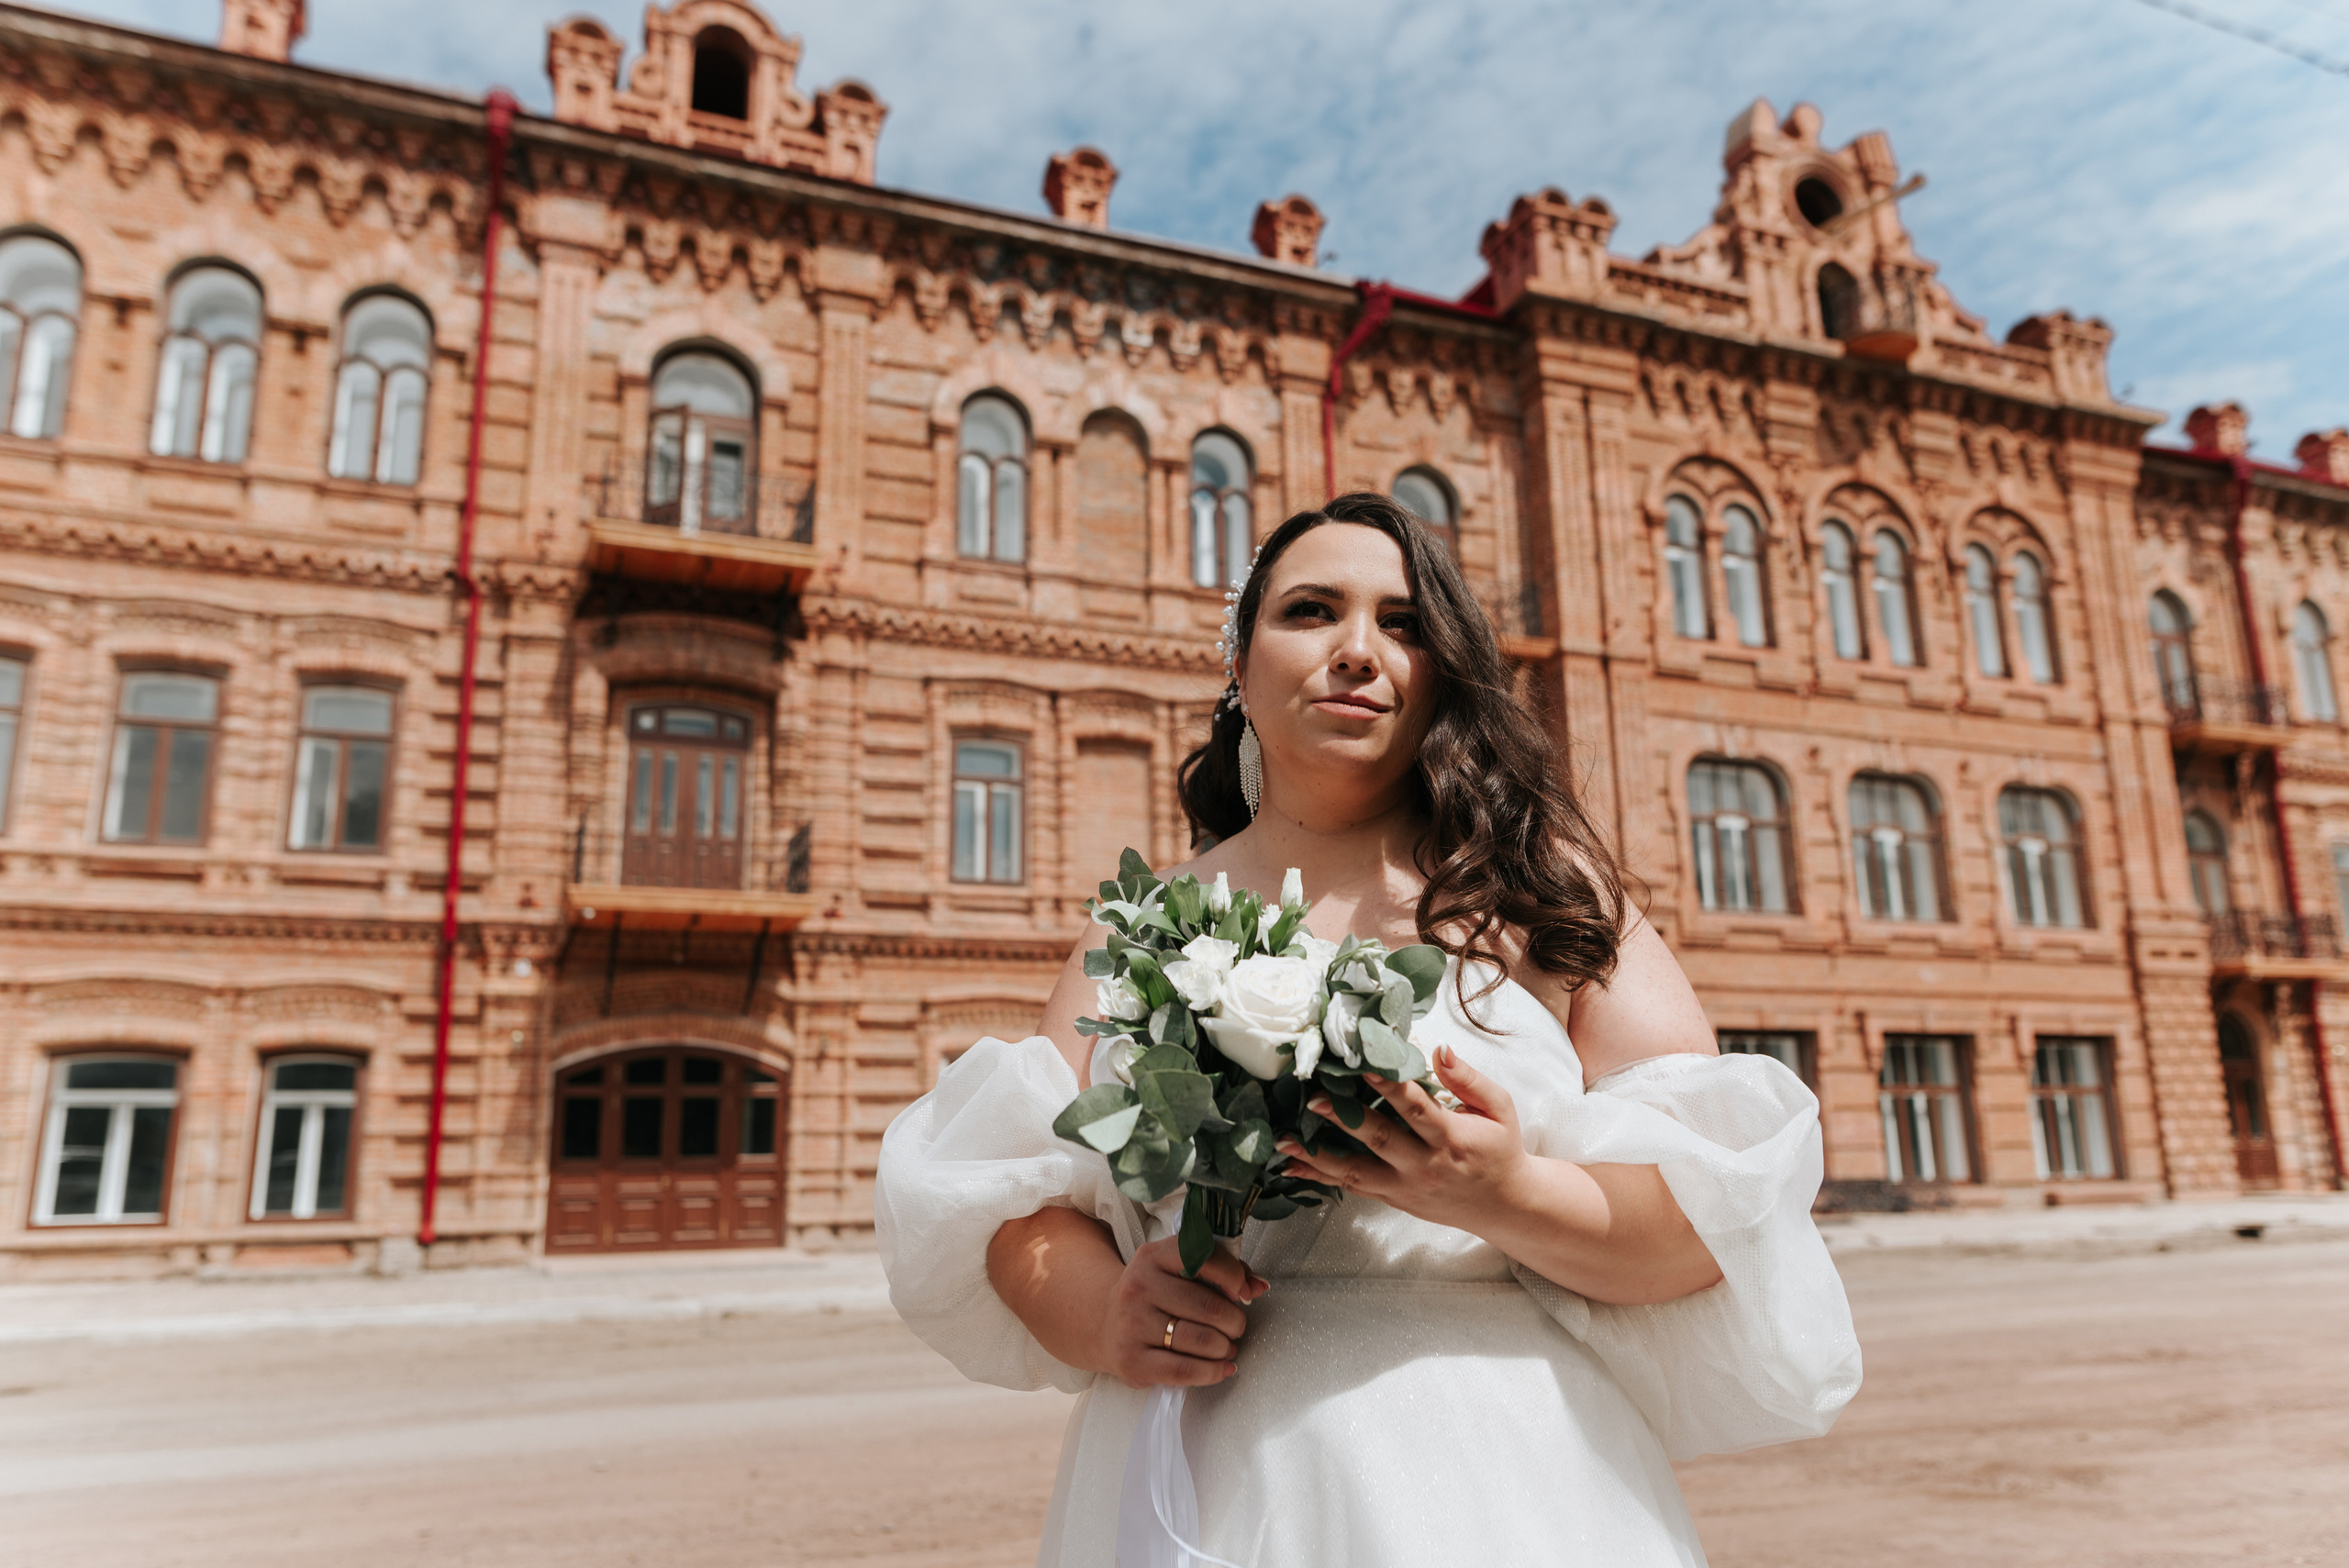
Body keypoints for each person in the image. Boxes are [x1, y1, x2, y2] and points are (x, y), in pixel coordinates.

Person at [877, 494, 1860, 1566]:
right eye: (1310, 610)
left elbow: (1708, 1228)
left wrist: (1500, 1191)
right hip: (1195, 1469)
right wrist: (1104, 1306)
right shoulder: (1142, 926)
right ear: (1239, 667)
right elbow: (1016, 1204)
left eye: (1403, 623)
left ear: (1444, 671)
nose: (1358, 651)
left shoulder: (1549, 900)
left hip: (1496, 1474)